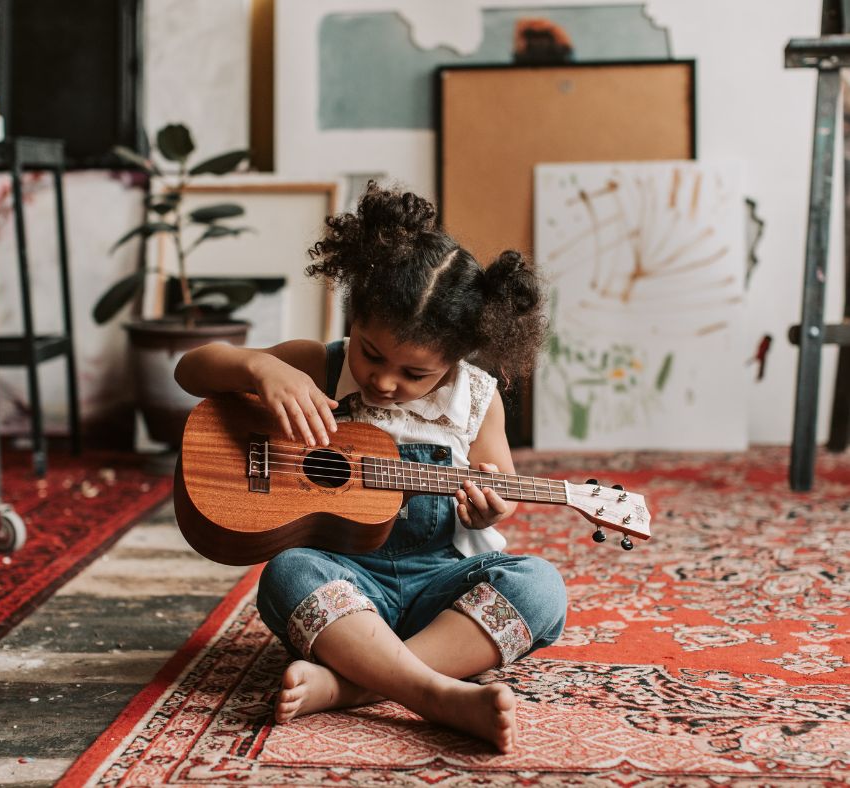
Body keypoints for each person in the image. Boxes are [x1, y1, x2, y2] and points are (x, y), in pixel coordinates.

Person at [174, 182, 567, 753]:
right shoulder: (318, 366)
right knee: (286, 573)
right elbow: (191, 369)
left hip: (442, 586)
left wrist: (490, 506)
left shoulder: (477, 401)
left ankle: (350, 686)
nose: (384, 382)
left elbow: (495, 485)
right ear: (354, 317)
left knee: (541, 587)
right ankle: (434, 693)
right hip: (347, 585)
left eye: (415, 374)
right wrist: (260, 369)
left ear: (456, 361)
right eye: (372, 353)